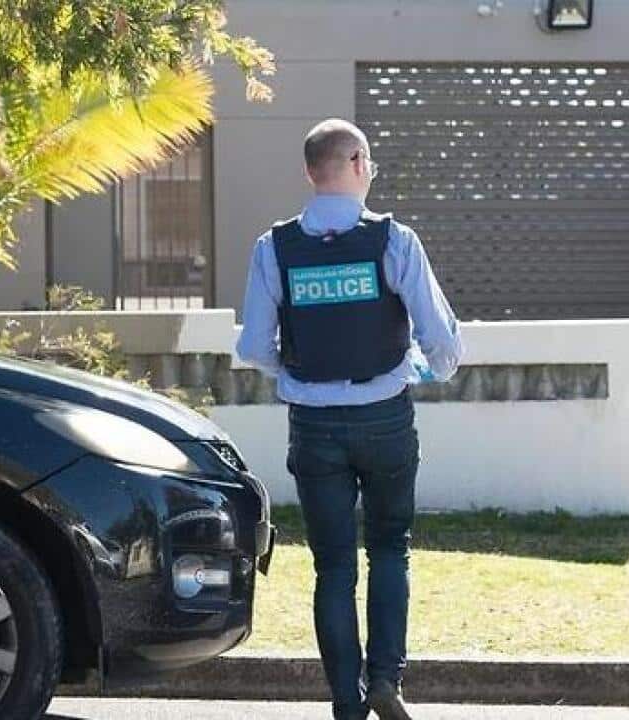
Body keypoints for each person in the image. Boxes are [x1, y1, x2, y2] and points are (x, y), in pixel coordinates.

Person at [237, 118, 463, 720]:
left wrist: (295, 372)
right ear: (358, 163)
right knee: (390, 550)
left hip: (313, 427)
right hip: (385, 418)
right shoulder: (395, 241)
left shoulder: (274, 247)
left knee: (332, 566)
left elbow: (255, 346)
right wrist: (424, 370)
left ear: (312, 173)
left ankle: (346, 701)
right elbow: (444, 340)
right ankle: (385, 678)